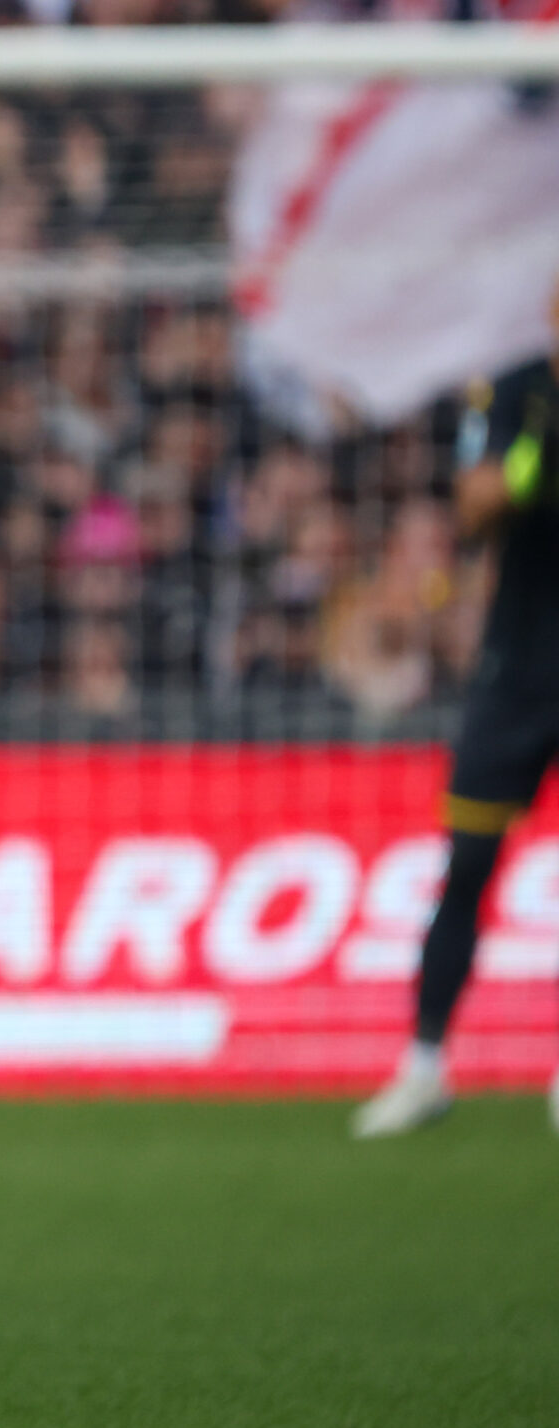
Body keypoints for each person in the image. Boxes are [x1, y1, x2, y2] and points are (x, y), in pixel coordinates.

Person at [353, 278, 559, 1140]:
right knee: (467, 863)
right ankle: (423, 1065)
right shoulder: (514, 384)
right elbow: (474, 507)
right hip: (519, 665)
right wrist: (531, 459)